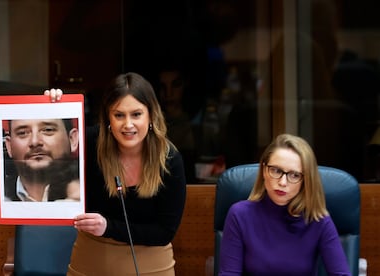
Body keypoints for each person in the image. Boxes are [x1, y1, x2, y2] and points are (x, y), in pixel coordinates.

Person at [45, 72, 187, 275]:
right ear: (108, 117)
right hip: (91, 260)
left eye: (136, 114)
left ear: (150, 116)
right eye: (119, 115)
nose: (128, 124)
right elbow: (52, 147)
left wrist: (108, 227)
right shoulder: (89, 143)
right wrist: (51, 109)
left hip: (151, 265)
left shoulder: (169, 159)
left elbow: (165, 232)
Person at [218, 133, 351, 275]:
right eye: (276, 170)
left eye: (294, 175)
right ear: (264, 170)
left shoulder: (318, 220)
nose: (282, 182)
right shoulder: (240, 215)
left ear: (305, 181)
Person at [4, 118, 80, 202]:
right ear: (9, 146)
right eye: (23, 133)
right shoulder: (0, 198)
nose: (35, 142)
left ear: (72, 139)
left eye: (48, 130)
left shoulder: (87, 194)